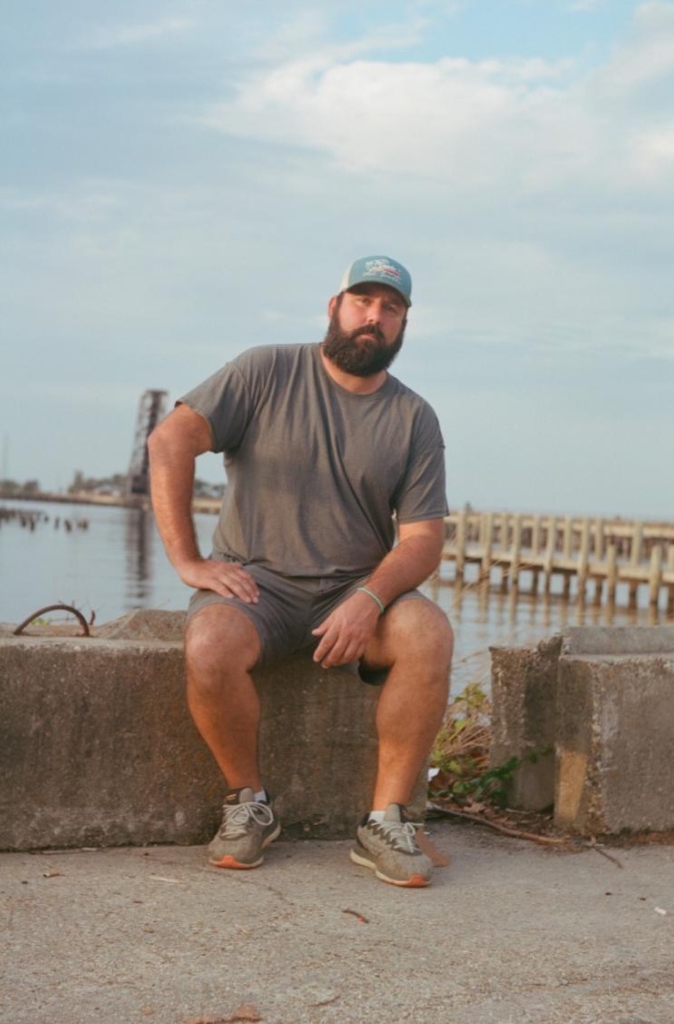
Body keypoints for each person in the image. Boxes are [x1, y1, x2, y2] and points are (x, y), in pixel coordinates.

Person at [147, 255, 453, 888]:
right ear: (334, 307)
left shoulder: (413, 418)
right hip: (257, 587)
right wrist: (188, 561)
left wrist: (370, 596)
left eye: (390, 308)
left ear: (403, 324)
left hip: (355, 598)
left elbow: (423, 540)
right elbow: (169, 442)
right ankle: (248, 803)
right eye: (362, 301)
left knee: (428, 631)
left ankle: (385, 820)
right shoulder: (265, 370)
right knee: (208, 644)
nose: (375, 317)